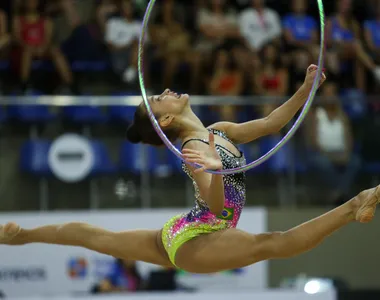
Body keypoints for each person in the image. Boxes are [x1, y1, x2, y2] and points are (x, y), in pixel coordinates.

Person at [1, 65, 380, 274]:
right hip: (203, 234)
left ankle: (23, 236)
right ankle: (353, 206)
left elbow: (270, 125)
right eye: (159, 97)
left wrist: (304, 90)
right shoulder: (195, 147)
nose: (166, 90)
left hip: (183, 229)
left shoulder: (217, 132)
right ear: (165, 118)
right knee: (274, 244)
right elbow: (216, 208)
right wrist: (212, 171)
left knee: (91, 235)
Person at [306, 82, 361, 204]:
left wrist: (345, 153)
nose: (330, 97)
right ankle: (342, 193)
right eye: (327, 94)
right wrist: (329, 155)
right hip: (322, 154)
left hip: (341, 153)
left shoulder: (343, 116)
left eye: (333, 93)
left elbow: (349, 140)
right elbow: (313, 141)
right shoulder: (316, 114)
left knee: (355, 161)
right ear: (322, 97)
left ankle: (337, 193)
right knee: (322, 163)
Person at [12, 0, 74, 93]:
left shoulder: (46, 20)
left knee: (55, 51)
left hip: (42, 48)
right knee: (27, 52)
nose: (31, 3)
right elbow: (17, 38)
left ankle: (70, 84)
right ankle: (24, 84)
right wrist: (29, 47)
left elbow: (48, 38)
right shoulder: (18, 19)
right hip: (25, 50)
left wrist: (41, 48)